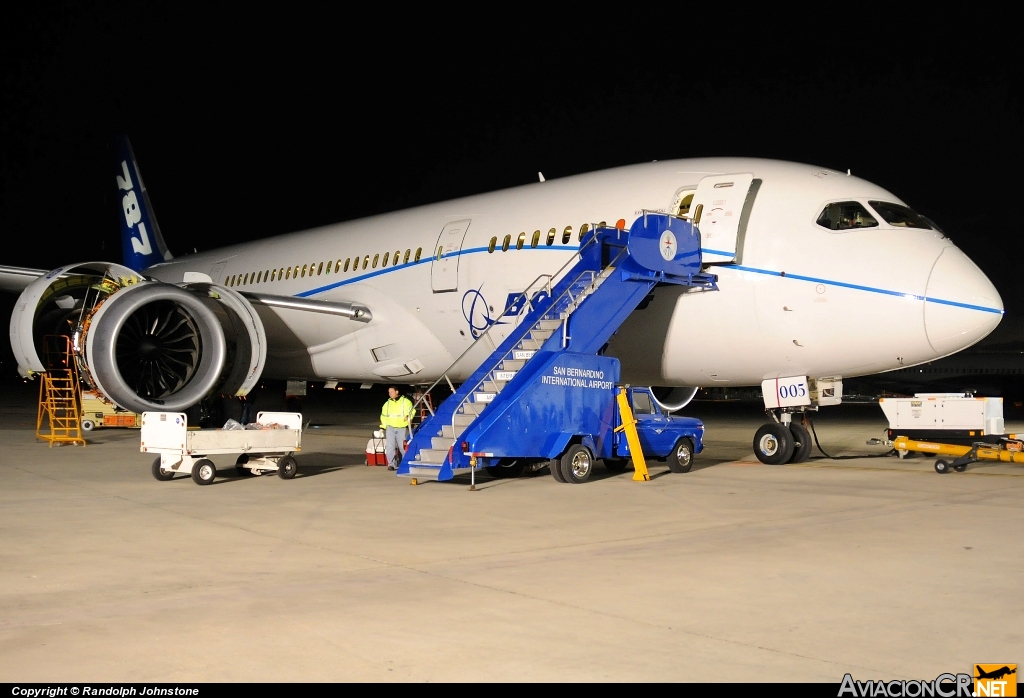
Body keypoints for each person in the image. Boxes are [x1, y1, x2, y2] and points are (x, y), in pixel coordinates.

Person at [380, 386, 413, 470]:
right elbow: (383, 417)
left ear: (397, 392)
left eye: (391, 392)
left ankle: (406, 463)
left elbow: (412, 410)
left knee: (402, 447)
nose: (390, 394)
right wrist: (382, 428)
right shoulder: (387, 404)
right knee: (390, 447)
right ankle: (391, 464)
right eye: (389, 392)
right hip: (390, 427)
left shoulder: (405, 402)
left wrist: (408, 416)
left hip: (401, 427)